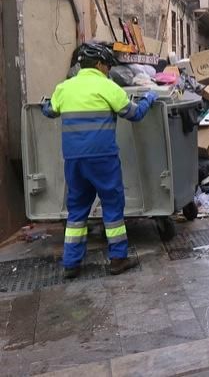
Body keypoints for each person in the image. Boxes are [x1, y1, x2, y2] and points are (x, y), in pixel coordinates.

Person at [42, 43, 158, 278]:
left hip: (74, 160)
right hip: (103, 158)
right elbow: (134, 114)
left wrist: (47, 104)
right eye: (106, 65)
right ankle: (117, 259)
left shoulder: (64, 88)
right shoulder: (107, 86)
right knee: (112, 205)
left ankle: (71, 264)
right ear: (98, 64)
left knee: (77, 210)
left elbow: (49, 111)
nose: (108, 70)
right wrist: (149, 99)